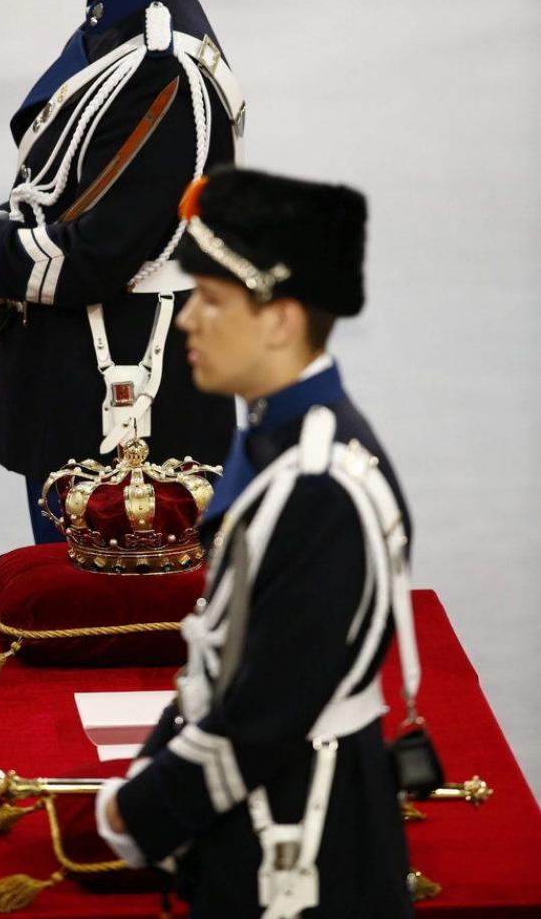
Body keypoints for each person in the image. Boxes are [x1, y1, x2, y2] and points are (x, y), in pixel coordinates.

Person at [95, 167, 416, 917]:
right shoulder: (280, 438)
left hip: (303, 836)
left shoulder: (318, 485)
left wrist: (135, 812)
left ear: (279, 319)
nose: (185, 319)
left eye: (210, 299)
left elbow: (268, 712)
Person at [0, 0, 244, 542]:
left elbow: (98, 257)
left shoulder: (161, 65)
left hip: (125, 417)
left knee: (106, 632)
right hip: (88, 391)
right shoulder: (122, 27)